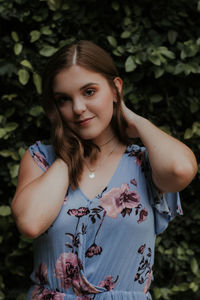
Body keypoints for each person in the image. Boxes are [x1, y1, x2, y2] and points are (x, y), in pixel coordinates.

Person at [11, 40, 197, 300]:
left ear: (115, 88)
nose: (77, 109)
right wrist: (68, 154)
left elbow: (181, 170)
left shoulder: (144, 163)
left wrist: (134, 119)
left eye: (89, 92)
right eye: (64, 99)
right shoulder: (41, 159)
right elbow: (30, 223)